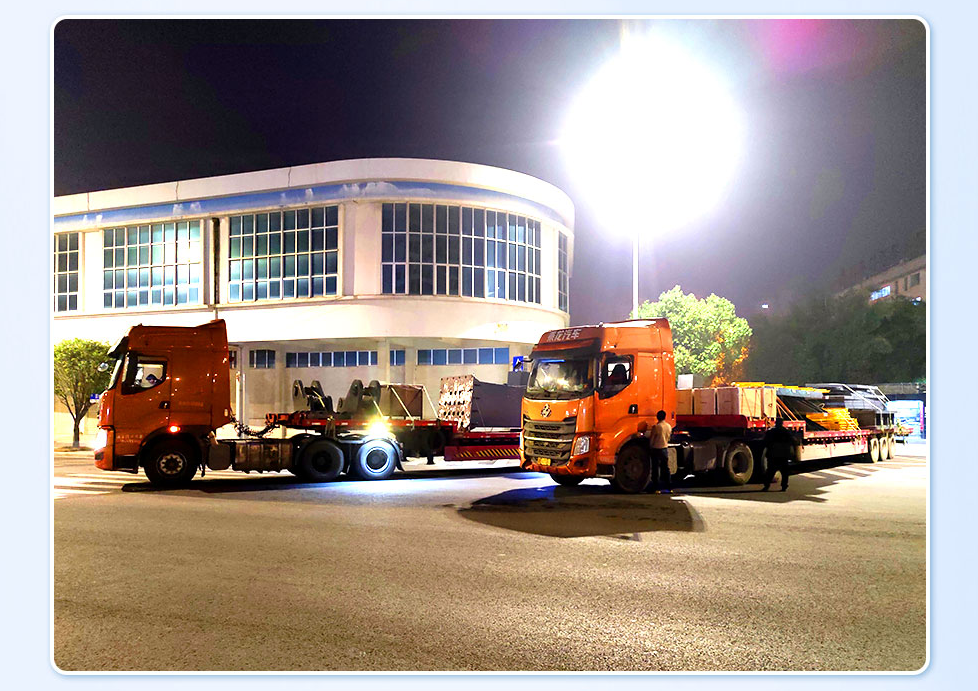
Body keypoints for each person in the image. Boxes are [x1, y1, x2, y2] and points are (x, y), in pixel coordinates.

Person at [762, 419, 800, 491]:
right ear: (782, 423)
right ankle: (784, 486)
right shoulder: (786, 432)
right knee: (784, 472)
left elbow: (765, 442)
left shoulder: (771, 431)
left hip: (773, 454)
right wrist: (793, 454)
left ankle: (766, 486)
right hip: (783, 455)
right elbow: (793, 441)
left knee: (770, 471)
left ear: (775, 423)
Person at [650, 409, 673, 494]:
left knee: (656, 469)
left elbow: (652, 439)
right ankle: (669, 487)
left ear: (657, 417)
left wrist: (650, 446)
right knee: (666, 468)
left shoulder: (656, 427)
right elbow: (669, 438)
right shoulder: (668, 426)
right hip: (665, 448)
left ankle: (656, 488)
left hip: (656, 449)